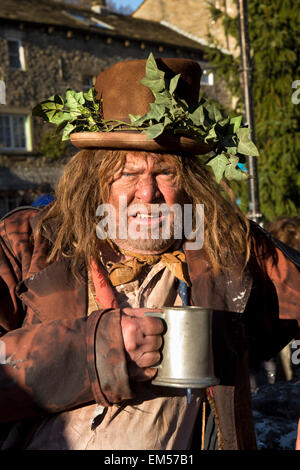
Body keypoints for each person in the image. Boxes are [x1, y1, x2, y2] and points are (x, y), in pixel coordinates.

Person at [0, 56, 299, 451]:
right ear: (94, 177)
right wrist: (99, 350)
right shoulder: (27, 242)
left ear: (190, 181)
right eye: (127, 173)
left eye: (164, 172)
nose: (147, 194)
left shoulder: (226, 248)